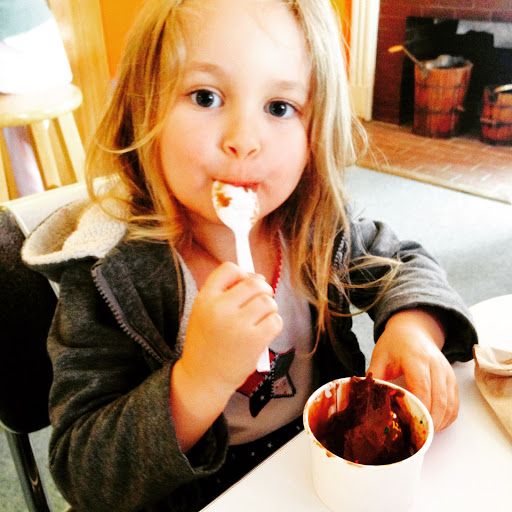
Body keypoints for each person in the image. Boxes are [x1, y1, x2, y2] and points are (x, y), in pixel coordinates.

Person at [22, 0, 477, 510]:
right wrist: (198, 380)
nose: (243, 141)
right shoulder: (109, 276)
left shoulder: (317, 225)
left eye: (279, 107)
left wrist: (414, 328)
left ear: (314, 132)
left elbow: (407, 264)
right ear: (143, 109)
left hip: (312, 472)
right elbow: (85, 472)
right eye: (206, 96)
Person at [0, 0, 73, 196]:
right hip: (40, 29)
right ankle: (37, 198)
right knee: (22, 128)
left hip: (16, 34)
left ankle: (33, 198)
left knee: (19, 128)